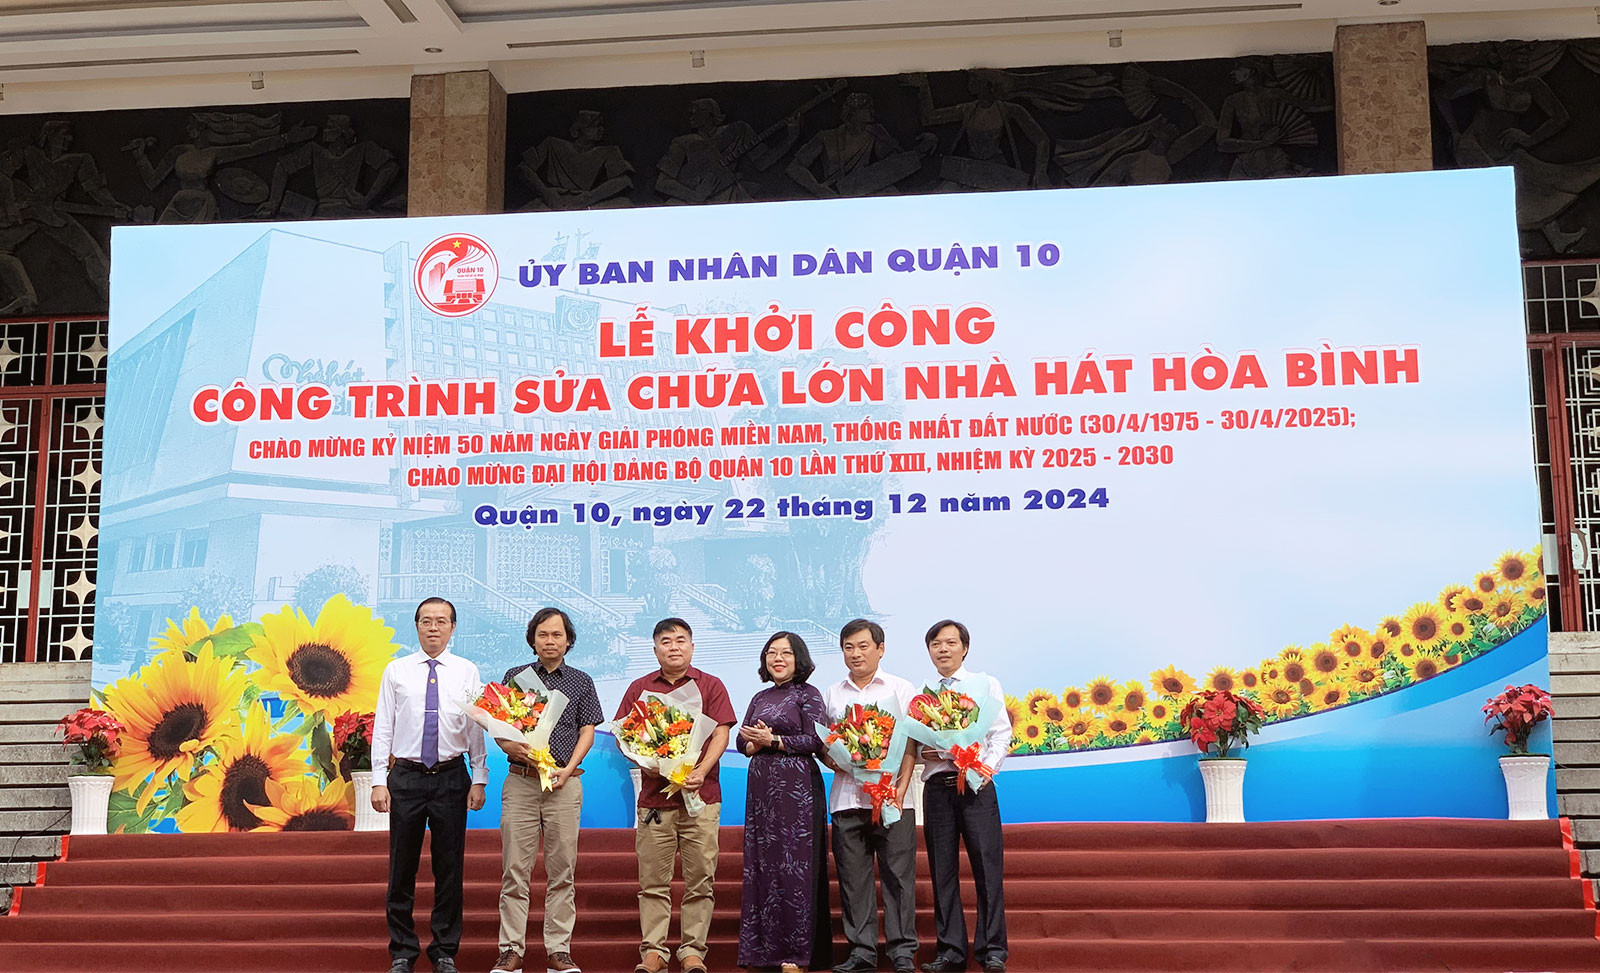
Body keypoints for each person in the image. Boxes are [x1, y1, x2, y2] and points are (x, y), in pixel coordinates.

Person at [370, 597, 489, 973]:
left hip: (452, 778)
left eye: (441, 621)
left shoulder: (467, 670)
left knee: (449, 868)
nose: (433, 627)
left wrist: (479, 778)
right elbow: (384, 726)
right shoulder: (397, 670)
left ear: (453, 628)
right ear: (417, 626)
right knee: (401, 867)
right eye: (426, 621)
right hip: (405, 777)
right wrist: (378, 781)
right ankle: (403, 950)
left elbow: (475, 728)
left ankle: (444, 951)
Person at [616, 618, 737, 973]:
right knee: (653, 880)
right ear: (655, 650)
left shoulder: (710, 685)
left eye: (681, 640)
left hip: (702, 797)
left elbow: (721, 733)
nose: (674, 647)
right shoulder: (640, 688)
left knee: (701, 878)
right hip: (656, 801)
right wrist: (649, 764)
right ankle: (653, 950)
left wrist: (700, 769)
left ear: (692, 646)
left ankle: (692, 951)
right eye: (666, 641)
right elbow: (626, 739)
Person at [491, 607, 606, 973]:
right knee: (514, 870)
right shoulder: (516, 676)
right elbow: (499, 724)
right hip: (521, 782)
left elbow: (587, 730)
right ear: (533, 639)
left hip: (564, 785)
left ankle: (558, 950)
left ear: (568, 640)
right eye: (543, 634)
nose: (550, 641)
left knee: (562, 871)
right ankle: (511, 950)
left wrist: (568, 769)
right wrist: (510, 746)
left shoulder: (581, 681)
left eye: (557, 635)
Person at [823, 619, 920, 973]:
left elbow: (911, 742)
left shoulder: (901, 689)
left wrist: (900, 789)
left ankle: (902, 952)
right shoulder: (833, 693)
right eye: (849, 647)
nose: (856, 654)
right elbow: (826, 746)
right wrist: (842, 760)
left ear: (881, 649)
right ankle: (862, 951)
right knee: (853, 880)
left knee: (898, 878)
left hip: (893, 802)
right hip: (847, 799)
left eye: (863, 646)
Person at [918, 620, 1012, 973]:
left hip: (976, 788)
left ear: (965, 648)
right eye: (935, 644)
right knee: (942, 871)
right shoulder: (923, 692)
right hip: (937, 789)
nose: (943, 649)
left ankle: (993, 949)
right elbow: (920, 744)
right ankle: (951, 950)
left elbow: (1000, 735)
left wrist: (982, 769)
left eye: (950, 643)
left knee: (987, 868)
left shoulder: (985, 684)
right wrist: (934, 751)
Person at [737, 632, 833, 973]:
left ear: (799, 659)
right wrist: (754, 742)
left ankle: (798, 953)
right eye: (772, 653)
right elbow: (741, 739)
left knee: (796, 868)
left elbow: (814, 739)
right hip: (762, 788)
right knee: (763, 865)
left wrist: (772, 740)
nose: (778, 658)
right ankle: (762, 952)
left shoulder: (809, 694)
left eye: (786, 653)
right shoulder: (760, 696)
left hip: (798, 791)